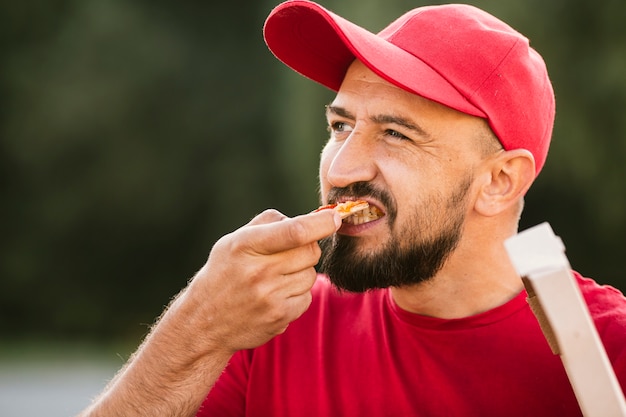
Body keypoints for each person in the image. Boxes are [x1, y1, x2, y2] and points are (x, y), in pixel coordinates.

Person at [79, 1, 626, 416]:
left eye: (396, 134)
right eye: (340, 126)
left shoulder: (609, 350)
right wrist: (197, 327)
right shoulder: (272, 327)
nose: (340, 171)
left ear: (500, 181)